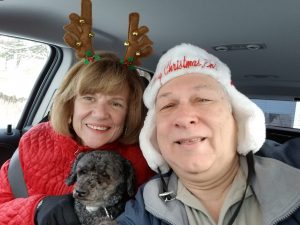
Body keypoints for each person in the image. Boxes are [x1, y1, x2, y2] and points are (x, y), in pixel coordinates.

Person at [115, 43, 300, 225]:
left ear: (237, 119)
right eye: (168, 105)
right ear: (154, 136)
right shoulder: (143, 207)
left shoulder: (293, 166)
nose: (184, 117)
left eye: (203, 99)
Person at [0, 51, 154, 225]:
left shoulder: (143, 161)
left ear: (129, 113)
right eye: (89, 98)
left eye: (115, 103)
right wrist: (36, 209)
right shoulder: (34, 143)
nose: (100, 114)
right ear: (70, 102)